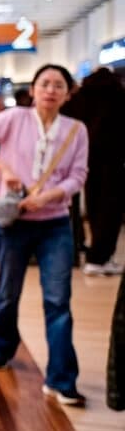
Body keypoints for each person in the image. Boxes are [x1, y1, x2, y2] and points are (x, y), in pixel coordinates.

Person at [0, 64, 89, 406]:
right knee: (7, 292)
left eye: (58, 85)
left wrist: (47, 197)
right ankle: (1, 348)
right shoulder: (13, 119)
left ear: (67, 93)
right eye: (44, 83)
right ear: (33, 89)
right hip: (14, 223)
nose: (50, 90)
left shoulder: (77, 130)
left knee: (58, 299)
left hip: (55, 224)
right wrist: (3, 168)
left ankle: (61, 379)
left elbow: (78, 177)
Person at [61, 68, 124, 275]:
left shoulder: (81, 98)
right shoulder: (118, 95)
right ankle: (100, 256)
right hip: (114, 160)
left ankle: (90, 251)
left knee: (93, 204)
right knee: (110, 209)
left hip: (85, 158)